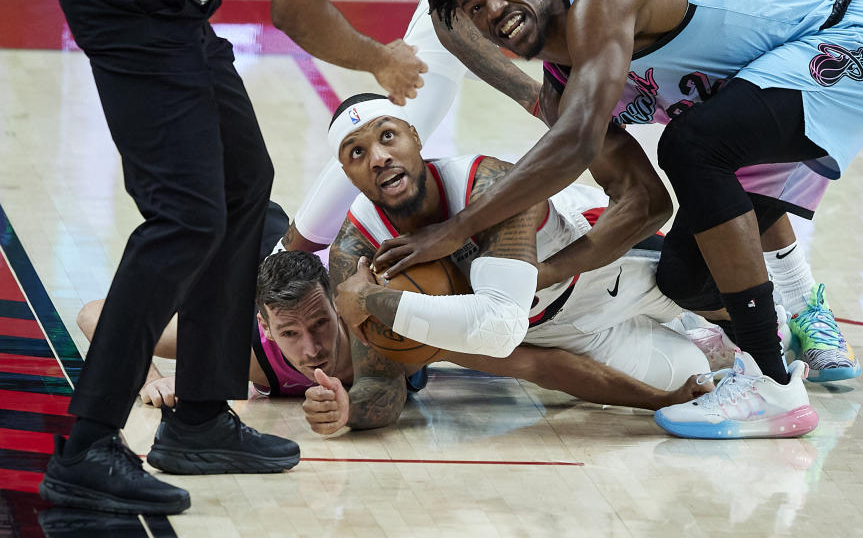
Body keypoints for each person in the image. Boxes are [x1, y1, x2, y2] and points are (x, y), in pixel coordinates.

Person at [281, 0, 855, 385]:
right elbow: (450, 7)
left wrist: (681, 34)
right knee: (399, 121)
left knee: (713, 119)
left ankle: (803, 302)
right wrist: (536, 94)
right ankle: (288, 270)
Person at [378, 0, 863, 438]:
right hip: (767, 99)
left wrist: (453, 231)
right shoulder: (563, 86)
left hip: (849, 42)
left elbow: (577, 142)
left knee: (692, 146)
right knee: (687, 280)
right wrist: (540, 274)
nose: (495, 10)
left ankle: (771, 383)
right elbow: (643, 204)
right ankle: (772, 348)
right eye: (476, 8)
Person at [42, 0, 444, 515]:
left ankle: (199, 418)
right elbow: (296, 11)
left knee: (242, 185)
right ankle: (87, 446)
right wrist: (380, 59)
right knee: (184, 218)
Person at [326, 93, 716, 428]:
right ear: (346, 172)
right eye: (357, 152)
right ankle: (701, 336)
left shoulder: (485, 183)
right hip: (553, 333)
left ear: (414, 136)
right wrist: (350, 411)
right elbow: (379, 381)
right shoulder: (354, 251)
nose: (378, 158)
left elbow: (499, 327)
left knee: (710, 287)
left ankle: (733, 318)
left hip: (603, 269)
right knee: (695, 376)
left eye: (388, 136)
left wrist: (369, 300)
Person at [77, 241, 715, 437]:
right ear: (267, 329)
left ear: (336, 304)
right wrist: (151, 377)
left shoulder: (397, 326)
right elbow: (93, 314)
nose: (312, 347)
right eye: (291, 334)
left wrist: (648, 401)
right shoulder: (244, 346)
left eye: (320, 323)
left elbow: (542, 368)